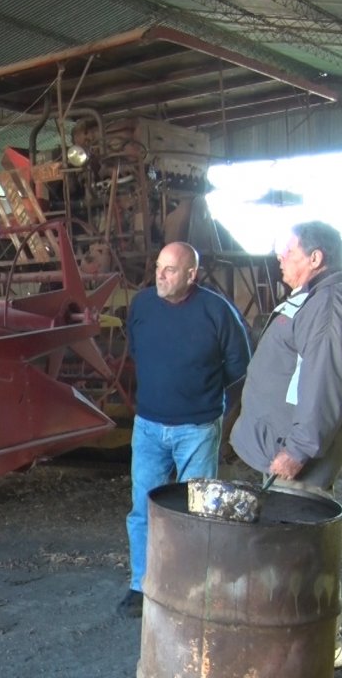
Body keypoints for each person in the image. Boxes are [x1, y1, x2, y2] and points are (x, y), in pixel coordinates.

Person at [119, 241, 251, 619]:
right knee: (143, 509)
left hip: (197, 426)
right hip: (148, 425)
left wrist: (205, 397)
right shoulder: (142, 305)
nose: (160, 275)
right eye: (159, 266)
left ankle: (192, 590)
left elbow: (239, 364)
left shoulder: (216, 311)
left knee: (197, 513)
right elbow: (137, 349)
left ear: (191, 275)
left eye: (171, 270)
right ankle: (140, 587)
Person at [231, 221, 342, 495]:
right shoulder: (314, 297)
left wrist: (298, 450)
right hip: (280, 443)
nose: (280, 257)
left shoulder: (325, 306)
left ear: (315, 258)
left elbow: (323, 380)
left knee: (290, 531)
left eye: (289, 251)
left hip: (295, 458)